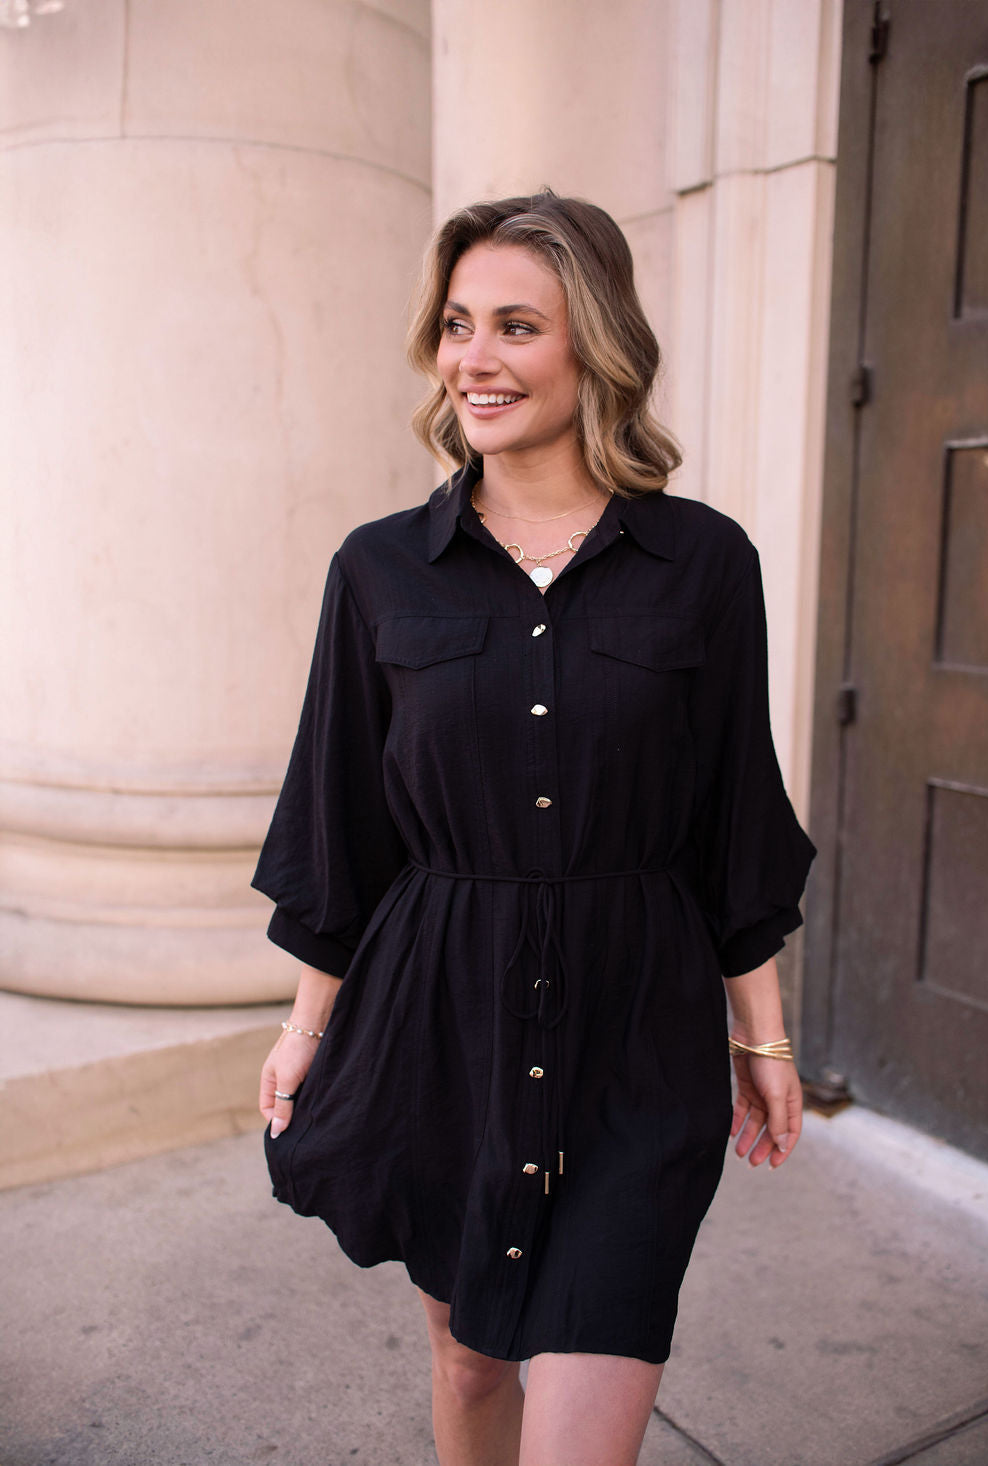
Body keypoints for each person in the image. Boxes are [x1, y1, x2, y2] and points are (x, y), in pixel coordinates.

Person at [253, 189, 815, 1466]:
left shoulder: (704, 563)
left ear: (593, 345)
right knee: (467, 1356)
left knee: (588, 1397)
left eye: (516, 324)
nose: (475, 359)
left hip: (636, 1027)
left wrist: (762, 1031)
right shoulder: (379, 569)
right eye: (457, 325)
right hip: (440, 1014)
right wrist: (305, 1030)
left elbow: (734, 819)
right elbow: (341, 827)